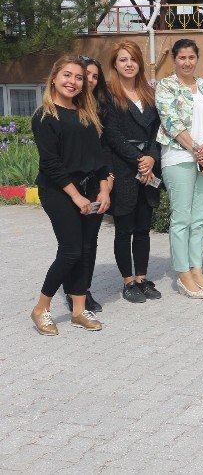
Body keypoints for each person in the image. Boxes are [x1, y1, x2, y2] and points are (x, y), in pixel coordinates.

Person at [29, 56, 111, 335]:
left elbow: (99, 157)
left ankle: (78, 310)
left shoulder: (86, 114)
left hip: (90, 190)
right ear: (54, 78)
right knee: (71, 251)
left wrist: (103, 188)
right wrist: (76, 197)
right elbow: (51, 164)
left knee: (86, 250)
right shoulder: (44, 117)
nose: (72, 82)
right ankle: (41, 308)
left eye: (78, 77)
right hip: (59, 191)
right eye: (67, 75)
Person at [156, 39, 203, 299]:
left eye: (191, 57)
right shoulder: (166, 86)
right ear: (174, 59)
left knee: (199, 219)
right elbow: (171, 122)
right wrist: (198, 153)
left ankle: (197, 269)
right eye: (182, 57)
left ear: (197, 59)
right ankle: (183, 273)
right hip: (179, 158)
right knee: (182, 218)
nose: (187, 62)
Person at [103, 40, 163, 303]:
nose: (129, 65)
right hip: (125, 168)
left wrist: (151, 157)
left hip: (148, 168)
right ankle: (127, 281)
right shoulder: (109, 95)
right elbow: (112, 135)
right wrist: (140, 160)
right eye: (123, 60)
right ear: (115, 64)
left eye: (133, 60)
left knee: (143, 228)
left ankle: (142, 277)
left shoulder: (149, 94)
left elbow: (157, 131)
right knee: (124, 229)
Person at [75, 55, 112, 314]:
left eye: (94, 76)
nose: (89, 80)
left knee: (91, 241)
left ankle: (84, 289)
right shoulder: (65, 108)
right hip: (70, 185)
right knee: (73, 243)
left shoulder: (102, 108)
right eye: (84, 74)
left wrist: (106, 184)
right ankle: (73, 291)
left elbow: (106, 151)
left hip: (96, 181)